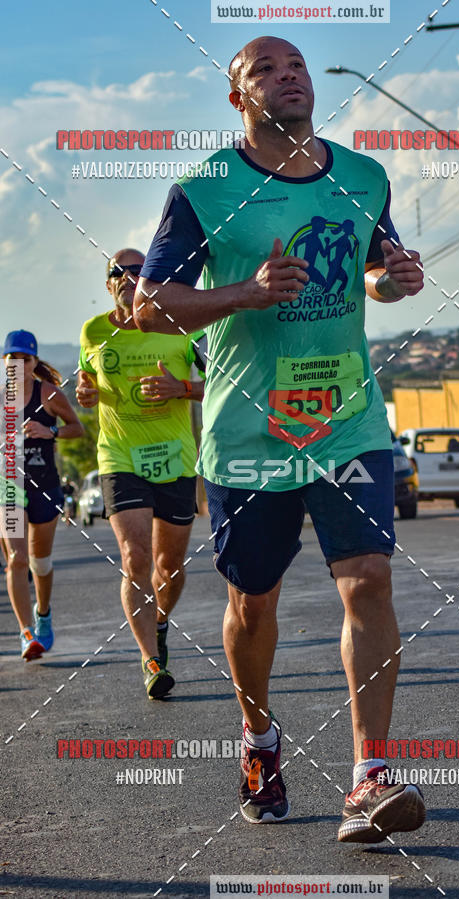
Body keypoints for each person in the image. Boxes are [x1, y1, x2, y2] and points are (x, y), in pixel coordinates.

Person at [134, 36, 425, 840]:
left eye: (295, 64)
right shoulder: (205, 188)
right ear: (237, 99)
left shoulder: (363, 177)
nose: (287, 75)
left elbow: (371, 265)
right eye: (263, 69)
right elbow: (152, 304)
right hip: (249, 434)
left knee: (368, 578)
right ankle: (259, 737)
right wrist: (245, 292)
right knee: (250, 603)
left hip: (349, 424)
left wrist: (392, 280)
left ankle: (370, 776)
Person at [77, 248, 205, 700]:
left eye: (139, 270)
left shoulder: (179, 326)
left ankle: (161, 621)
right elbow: (86, 379)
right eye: (119, 271)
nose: (129, 276)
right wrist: (85, 391)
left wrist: (182, 388)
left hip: (175, 459)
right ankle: (151, 659)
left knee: (168, 567)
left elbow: (229, 380)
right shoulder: (93, 331)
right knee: (135, 558)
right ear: (108, 283)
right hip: (120, 457)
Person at [1, 330, 84, 660]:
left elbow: (77, 428)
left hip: (45, 486)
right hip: (10, 486)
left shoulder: (48, 394)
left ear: (34, 363)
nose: (18, 365)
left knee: (40, 562)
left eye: (25, 359)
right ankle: (26, 633)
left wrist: (49, 431)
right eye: (12, 359)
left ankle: (44, 613)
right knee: (16, 560)